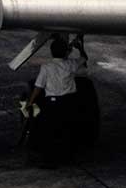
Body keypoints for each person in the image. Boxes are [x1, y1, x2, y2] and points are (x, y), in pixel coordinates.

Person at [25, 35, 88, 165]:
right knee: (67, 130)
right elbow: (84, 59)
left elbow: (38, 87)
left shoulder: (46, 67)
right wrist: (80, 48)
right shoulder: (71, 64)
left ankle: (49, 159)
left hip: (52, 104)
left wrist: (30, 102)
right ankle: (67, 157)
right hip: (68, 103)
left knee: (50, 131)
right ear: (66, 52)